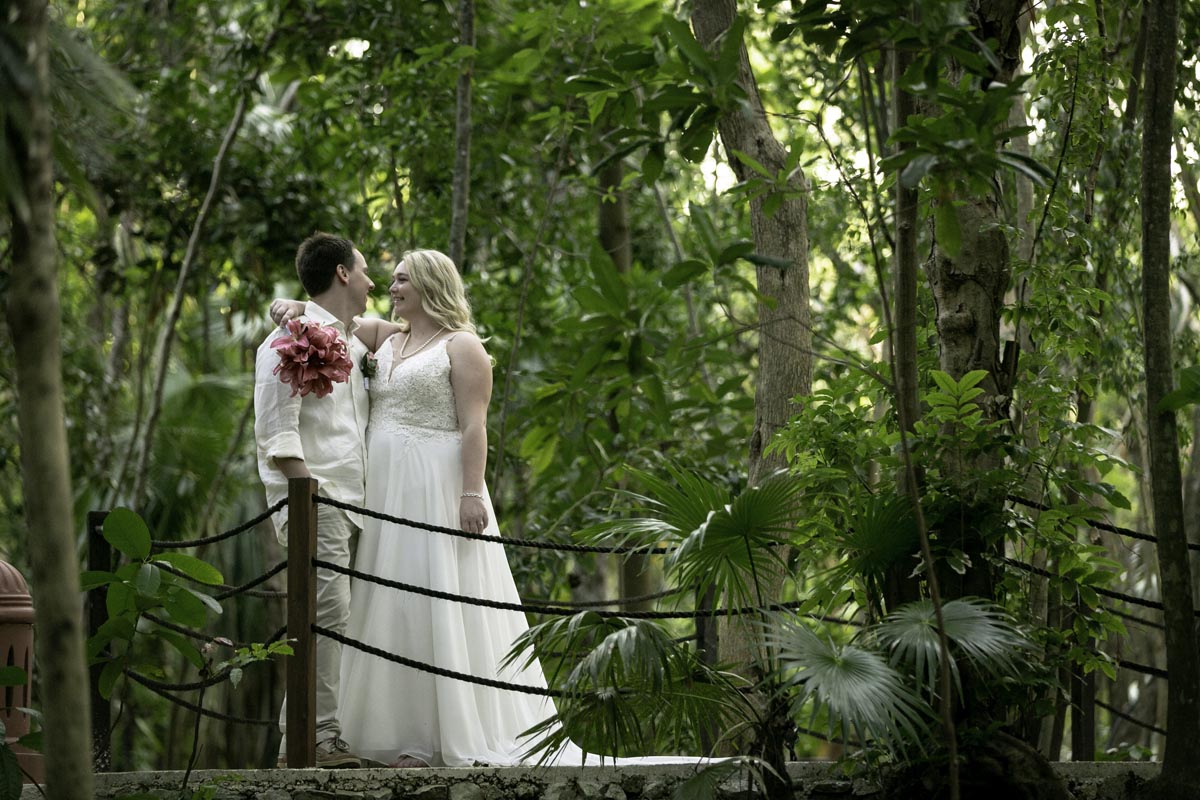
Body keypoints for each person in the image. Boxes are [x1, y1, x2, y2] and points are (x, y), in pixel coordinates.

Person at [254, 232, 374, 768]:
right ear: (344, 273)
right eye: (366, 270)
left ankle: (306, 739)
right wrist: (307, 497)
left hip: (359, 504)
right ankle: (315, 739)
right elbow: (278, 433)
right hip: (315, 500)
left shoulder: (355, 342)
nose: (373, 283)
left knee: (337, 618)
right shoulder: (285, 341)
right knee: (327, 615)